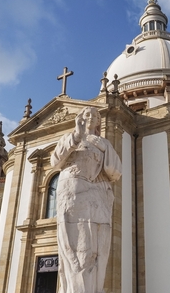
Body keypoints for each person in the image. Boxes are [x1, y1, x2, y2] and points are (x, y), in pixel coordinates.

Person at [51, 106, 122, 293]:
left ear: (99, 121)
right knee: (75, 249)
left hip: (97, 196)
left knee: (97, 249)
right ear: (80, 118)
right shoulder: (70, 137)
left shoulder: (104, 143)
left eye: (96, 115)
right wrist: (76, 136)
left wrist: (102, 146)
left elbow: (115, 172)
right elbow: (55, 161)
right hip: (72, 192)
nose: (91, 117)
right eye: (87, 114)